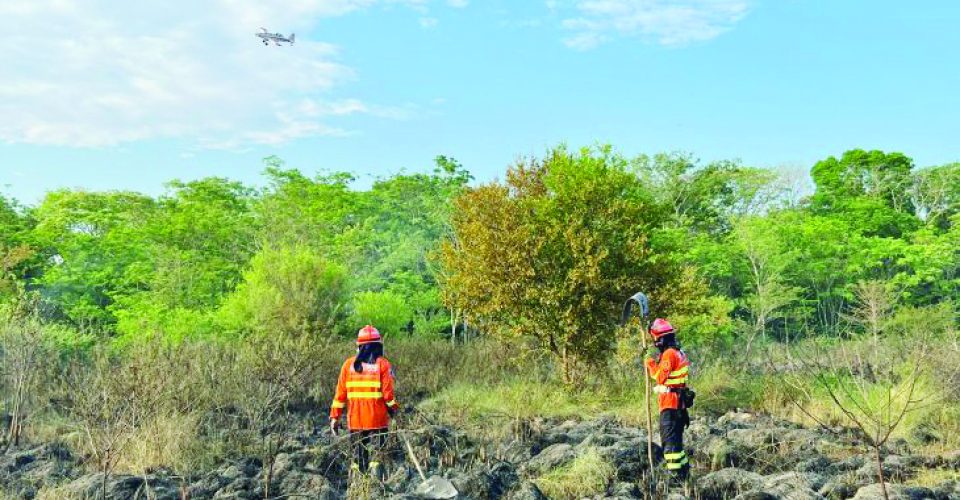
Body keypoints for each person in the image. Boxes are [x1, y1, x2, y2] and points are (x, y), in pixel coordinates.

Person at [330, 325, 399, 478]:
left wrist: (335, 417)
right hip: (378, 421)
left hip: (355, 422)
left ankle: (357, 487)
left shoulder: (348, 365)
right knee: (376, 457)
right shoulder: (383, 364)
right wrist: (395, 410)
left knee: (358, 459)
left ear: (359, 346)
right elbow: (388, 396)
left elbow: (339, 396)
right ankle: (376, 488)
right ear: (378, 345)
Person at [644, 318, 692, 480]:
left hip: (671, 405)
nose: (655, 343)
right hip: (679, 405)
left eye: (656, 340)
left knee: (670, 444)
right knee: (677, 443)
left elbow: (659, 377)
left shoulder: (669, 354)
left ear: (661, 339)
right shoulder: (679, 352)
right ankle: (685, 474)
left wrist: (649, 362)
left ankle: (675, 479)